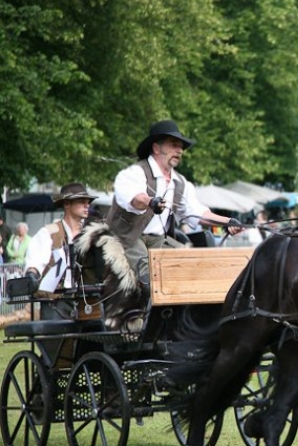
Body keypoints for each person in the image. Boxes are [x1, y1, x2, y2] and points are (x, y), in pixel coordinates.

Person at [107, 120, 243, 289]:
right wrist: (151, 201)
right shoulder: (134, 173)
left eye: (181, 147)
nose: (180, 150)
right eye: (174, 145)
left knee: (190, 268)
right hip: (127, 238)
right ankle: (142, 315)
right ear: (156, 148)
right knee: (151, 276)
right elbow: (135, 198)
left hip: (158, 241)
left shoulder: (180, 183)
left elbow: (197, 212)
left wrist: (227, 221)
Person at [23, 183, 97, 314]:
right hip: (55, 301)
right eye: (81, 201)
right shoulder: (49, 232)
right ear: (67, 204)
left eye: (88, 202)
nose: (87, 205)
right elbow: (35, 263)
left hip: (87, 300)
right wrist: (31, 274)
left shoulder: (93, 234)